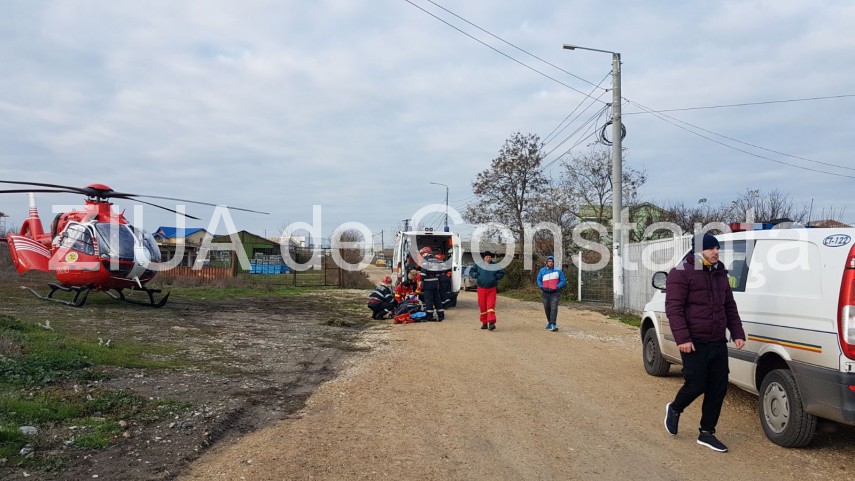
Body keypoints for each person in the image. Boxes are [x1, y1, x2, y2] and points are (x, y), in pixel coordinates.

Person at [663, 233, 746, 453]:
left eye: (717, 248)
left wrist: (737, 332)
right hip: (694, 341)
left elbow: (729, 305)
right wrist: (683, 338)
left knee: (718, 387)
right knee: (696, 384)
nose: (716, 252)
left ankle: (707, 433)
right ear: (698, 251)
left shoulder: (719, 272)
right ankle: (675, 408)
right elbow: (674, 309)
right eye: (711, 248)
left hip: (717, 339)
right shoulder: (680, 273)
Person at [468, 251, 505, 330]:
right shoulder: (478, 265)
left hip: (492, 289)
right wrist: (475, 275)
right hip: (481, 289)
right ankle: (484, 323)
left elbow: (502, 273)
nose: (488, 258)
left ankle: (491, 322)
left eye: (489, 257)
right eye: (486, 257)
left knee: (490, 306)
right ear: (483, 258)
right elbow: (471, 271)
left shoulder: (495, 265)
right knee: (483, 306)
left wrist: (496, 277)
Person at [536, 255, 566, 332]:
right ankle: (549, 323)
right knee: (547, 308)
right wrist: (541, 286)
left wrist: (557, 286)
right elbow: (538, 279)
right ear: (546, 262)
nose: (551, 263)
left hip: (555, 293)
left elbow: (563, 280)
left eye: (552, 261)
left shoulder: (558, 271)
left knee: (554, 308)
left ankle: (553, 324)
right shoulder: (542, 270)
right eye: (549, 261)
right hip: (545, 293)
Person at [418, 249, 445, 321]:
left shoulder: (425, 260)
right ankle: (441, 315)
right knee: (437, 300)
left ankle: (429, 316)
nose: (422, 255)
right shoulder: (436, 260)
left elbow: (423, 272)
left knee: (429, 300)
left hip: (428, 283)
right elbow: (441, 271)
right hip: (435, 283)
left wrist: (421, 280)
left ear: (425, 253)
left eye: (422, 254)